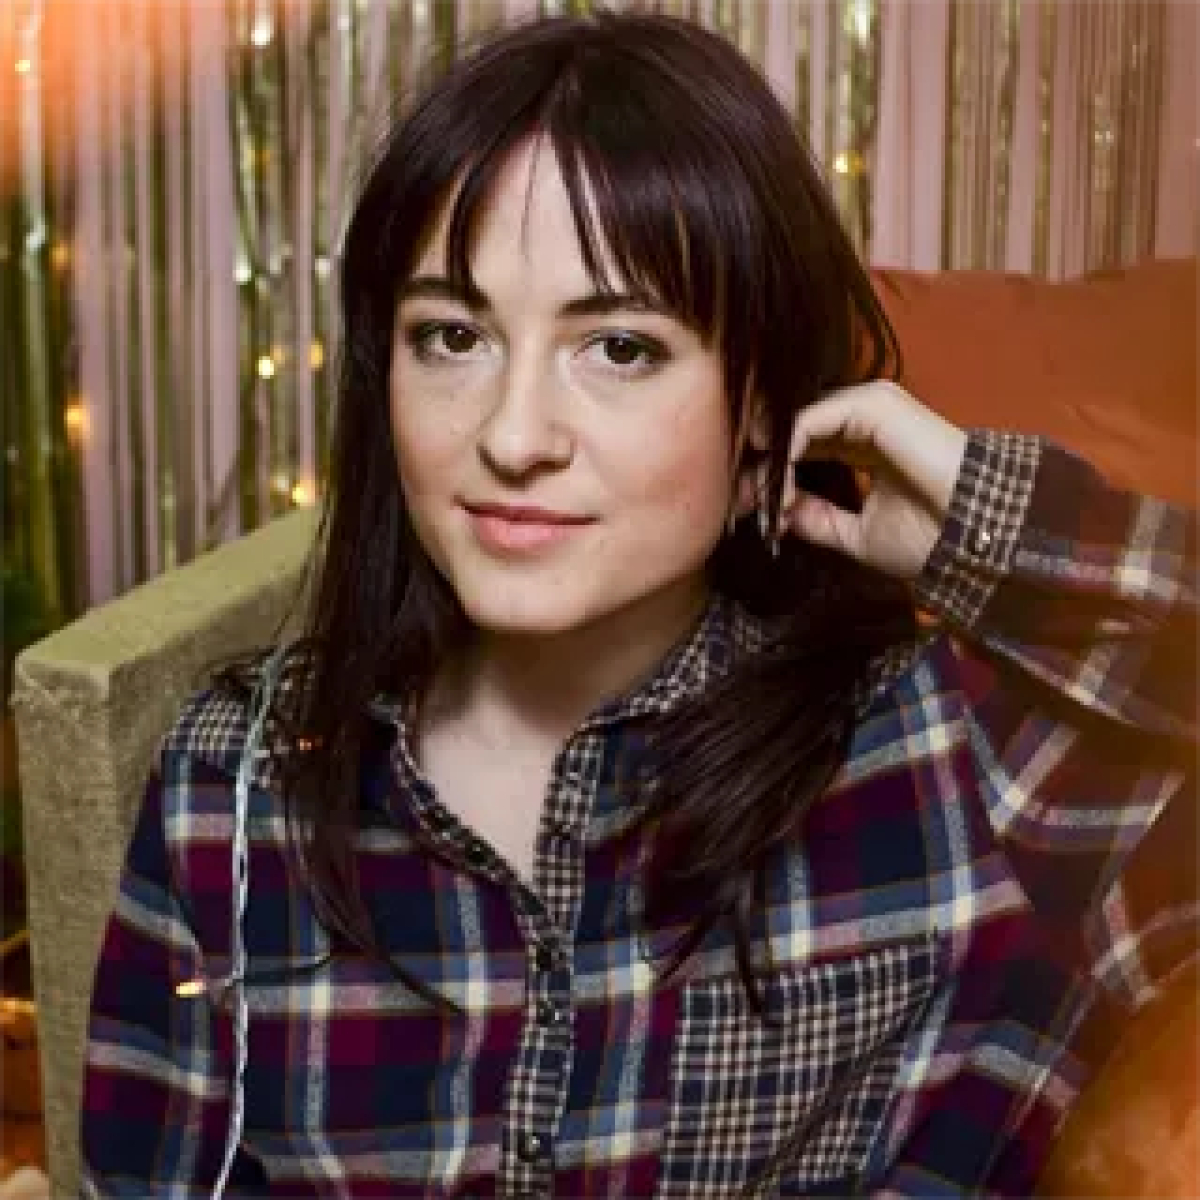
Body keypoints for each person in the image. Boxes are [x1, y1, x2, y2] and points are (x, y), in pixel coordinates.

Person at [79, 11, 1196, 1198]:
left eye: (618, 348)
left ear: (763, 402)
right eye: (451, 336)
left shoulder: (954, 756)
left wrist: (981, 526)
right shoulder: (233, 782)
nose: (512, 437)